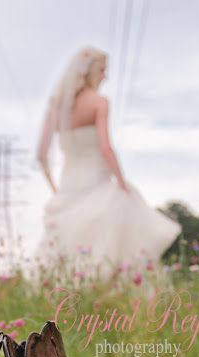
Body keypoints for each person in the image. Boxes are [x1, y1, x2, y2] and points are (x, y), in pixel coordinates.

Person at [33, 45, 182, 278]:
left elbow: (41, 156)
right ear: (88, 72)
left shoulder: (57, 107)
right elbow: (106, 148)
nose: (106, 76)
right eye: (102, 69)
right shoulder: (99, 102)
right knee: (115, 249)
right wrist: (122, 183)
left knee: (68, 255)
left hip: (68, 187)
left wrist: (55, 191)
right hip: (96, 182)